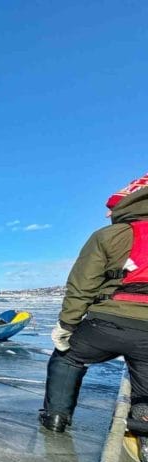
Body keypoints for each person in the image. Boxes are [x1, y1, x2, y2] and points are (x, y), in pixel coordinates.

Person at [40, 174, 148, 433]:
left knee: (67, 358)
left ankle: (56, 417)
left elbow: (82, 285)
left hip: (107, 323)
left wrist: (67, 324)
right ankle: (143, 417)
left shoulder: (109, 236)